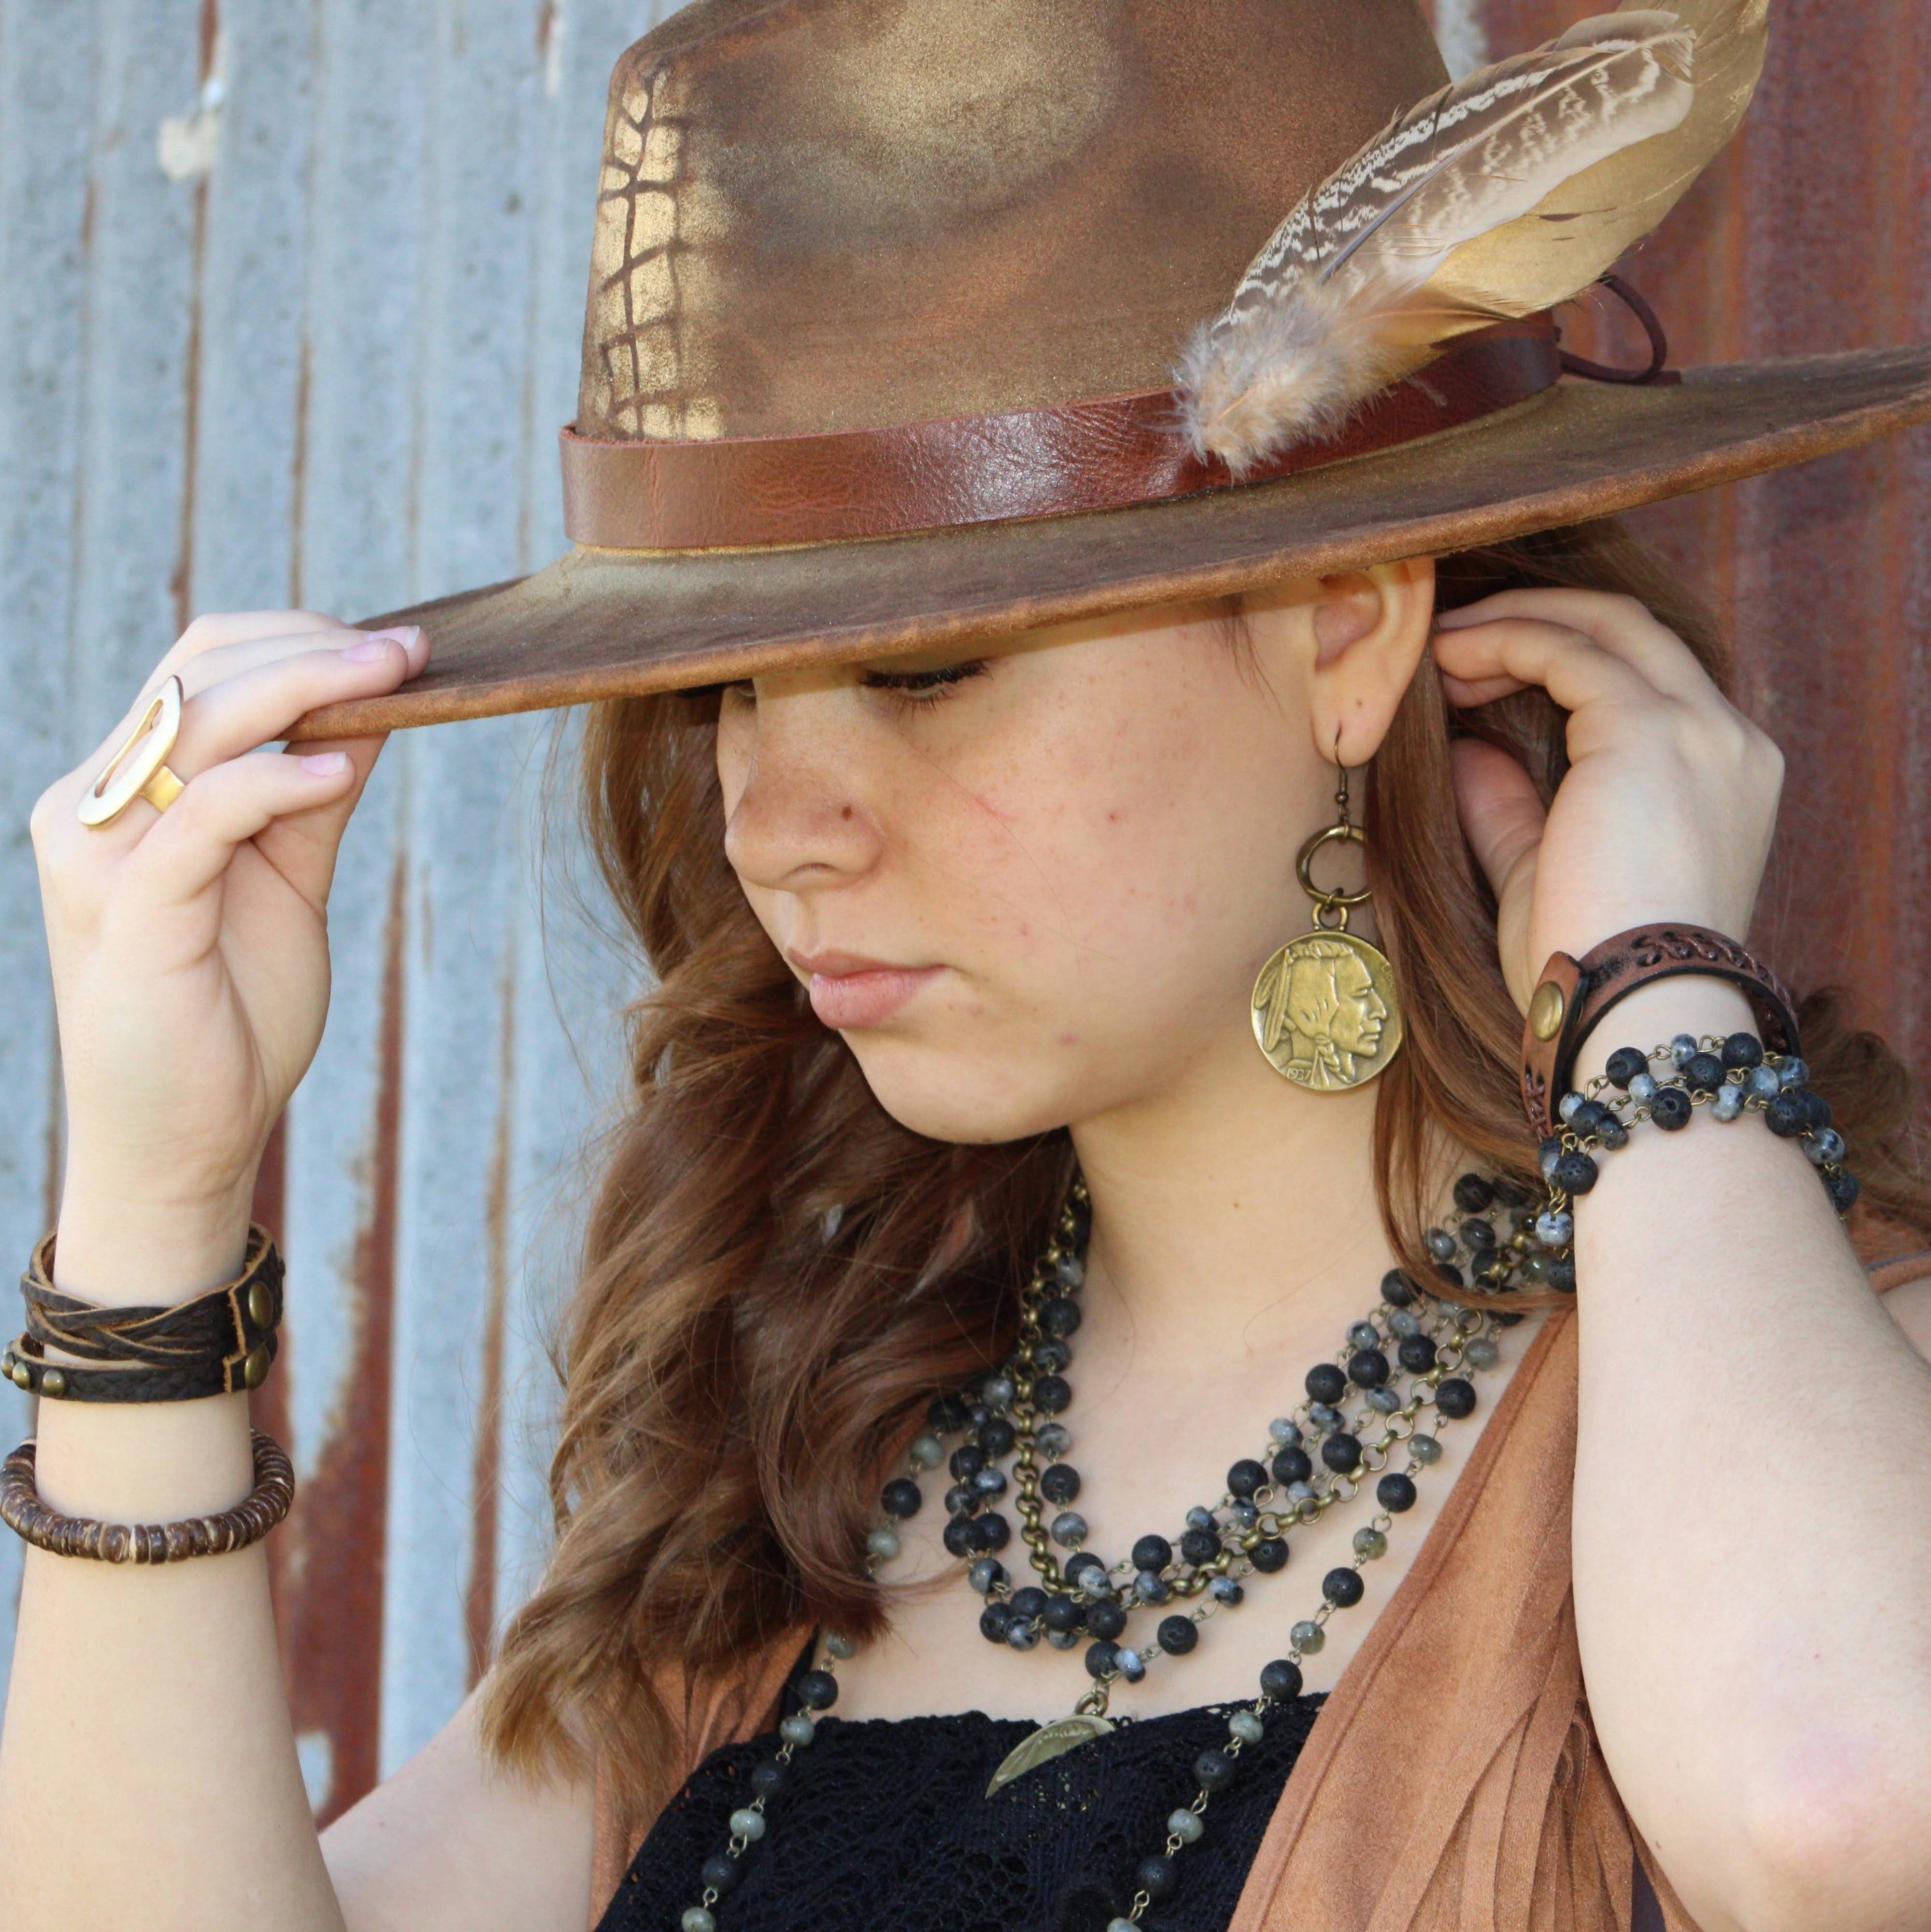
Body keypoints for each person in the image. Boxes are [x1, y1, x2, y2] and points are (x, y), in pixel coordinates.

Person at [4, 5, 1931, 1931]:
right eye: (722, 690)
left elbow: (1838, 1806)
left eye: (930, 666)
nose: (776, 817)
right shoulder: (796, 1494)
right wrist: (155, 1212)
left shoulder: (1816, 1386)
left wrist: (1656, 993)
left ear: (1345, 626)